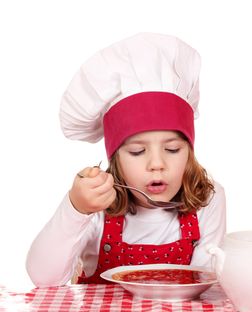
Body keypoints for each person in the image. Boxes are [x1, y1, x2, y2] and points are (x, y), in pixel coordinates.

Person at [26, 33, 226, 287]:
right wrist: (76, 208)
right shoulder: (98, 206)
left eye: (173, 149)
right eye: (137, 152)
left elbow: (203, 282)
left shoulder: (208, 200)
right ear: (115, 158)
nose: (157, 163)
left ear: (190, 152)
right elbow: (44, 278)